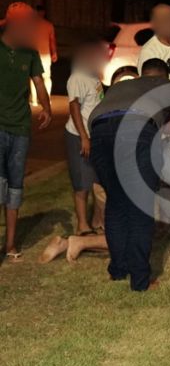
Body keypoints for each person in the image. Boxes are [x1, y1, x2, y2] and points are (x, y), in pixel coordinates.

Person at [88, 58, 170, 291]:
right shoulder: (167, 87)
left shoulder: (122, 85)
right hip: (135, 129)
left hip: (99, 131)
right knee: (140, 206)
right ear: (164, 76)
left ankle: (118, 270)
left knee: (116, 203)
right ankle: (141, 281)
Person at [0, 2, 52, 263]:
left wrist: (47, 106)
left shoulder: (29, 53)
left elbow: (39, 82)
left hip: (20, 127)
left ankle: (10, 244)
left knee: (15, 187)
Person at [65, 39, 107, 236]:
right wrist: (84, 137)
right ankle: (82, 226)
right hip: (78, 136)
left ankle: (98, 221)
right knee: (82, 183)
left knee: (98, 181)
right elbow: (74, 107)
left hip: (95, 136)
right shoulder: (78, 77)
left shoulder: (95, 77)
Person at [30, 5, 58, 105]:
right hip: (45, 55)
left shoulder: (30, 25)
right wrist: (54, 52)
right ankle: (48, 99)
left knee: (34, 77)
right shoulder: (49, 25)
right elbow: (52, 41)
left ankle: (34, 101)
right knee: (46, 77)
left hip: (33, 55)